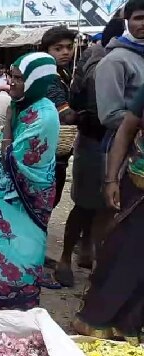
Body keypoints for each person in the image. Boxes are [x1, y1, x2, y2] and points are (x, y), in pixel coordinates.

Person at [0, 53, 60, 310]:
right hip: (6, 197)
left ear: (36, 80)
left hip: (23, 200)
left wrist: (8, 125)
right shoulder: (24, 106)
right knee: (1, 247)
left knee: (18, 252)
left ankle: (15, 304)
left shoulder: (44, 115)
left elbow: (12, 161)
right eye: (11, 76)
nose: (12, 83)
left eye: (19, 78)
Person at [56, 18, 126, 287]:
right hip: (96, 139)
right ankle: (66, 258)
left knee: (101, 207)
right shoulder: (101, 62)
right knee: (87, 205)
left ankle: (87, 253)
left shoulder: (97, 58)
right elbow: (94, 110)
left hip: (108, 140)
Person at [73, 85, 144, 343]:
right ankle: (97, 321)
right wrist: (111, 179)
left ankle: (130, 326)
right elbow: (126, 131)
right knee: (118, 254)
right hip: (135, 188)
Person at [34, 26, 76, 287]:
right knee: (39, 209)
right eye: (58, 48)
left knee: (46, 208)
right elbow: (65, 115)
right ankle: (32, 264)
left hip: (54, 154)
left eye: (68, 47)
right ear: (46, 51)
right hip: (46, 155)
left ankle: (36, 256)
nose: (65, 52)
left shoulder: (61, 74)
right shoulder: (49, 78)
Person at [97, 0, 144, 153]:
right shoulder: (114, 61)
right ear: (126, 22)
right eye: (138, 18)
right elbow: (110, 115)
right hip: (128, 150)